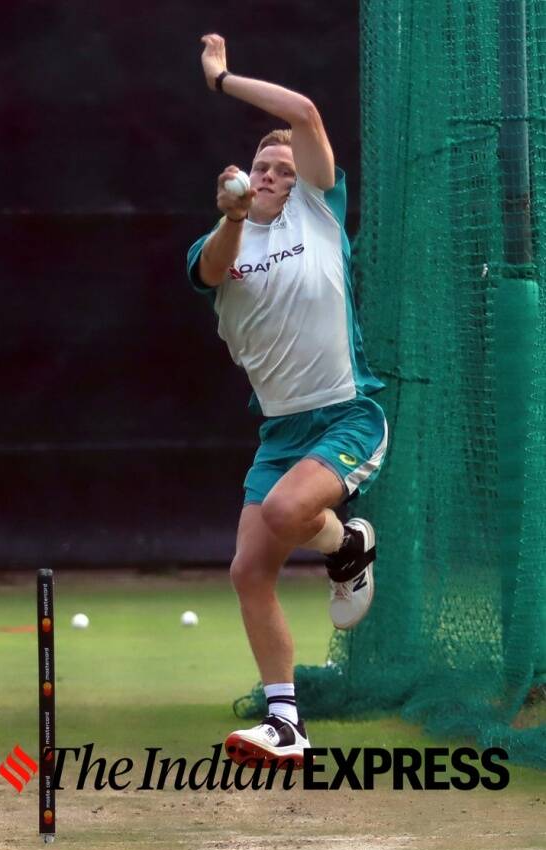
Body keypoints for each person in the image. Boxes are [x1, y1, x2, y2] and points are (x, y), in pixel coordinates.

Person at [187, 34, 388, 768]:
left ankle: (345, 542)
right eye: (262, 167)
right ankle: (287, 724)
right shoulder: (223, 242)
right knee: (248, 571)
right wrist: (233, 214)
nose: (275, 173)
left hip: (348, 412)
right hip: (281, 432)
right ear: (242, 182)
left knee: (281, 514)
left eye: (285, 166)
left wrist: (222, 78)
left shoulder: (319, 211)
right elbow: (212, 269)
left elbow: (302, 111)